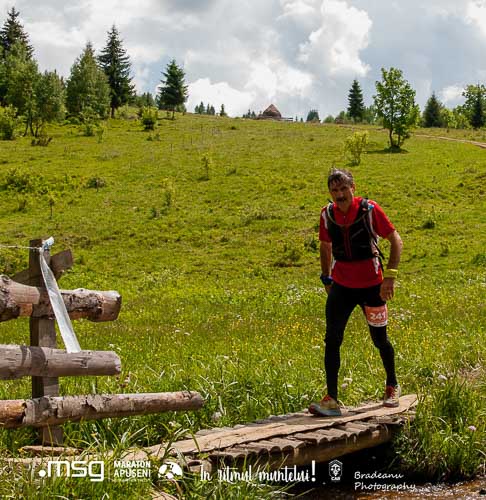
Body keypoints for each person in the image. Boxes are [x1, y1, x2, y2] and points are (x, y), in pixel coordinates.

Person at [309, 168, 403, 417]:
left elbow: (396, 240)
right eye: (334, 190)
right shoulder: (327, 214)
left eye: (344, 189)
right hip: (342, 286)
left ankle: (392, 385)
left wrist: (390, 277)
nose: (340, 195)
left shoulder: (370, 210)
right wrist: (326, 277)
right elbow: (325, 245)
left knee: (379, 339)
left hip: (373, 286)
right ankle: (331, 399)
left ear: (353, 188)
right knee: (332, 339)